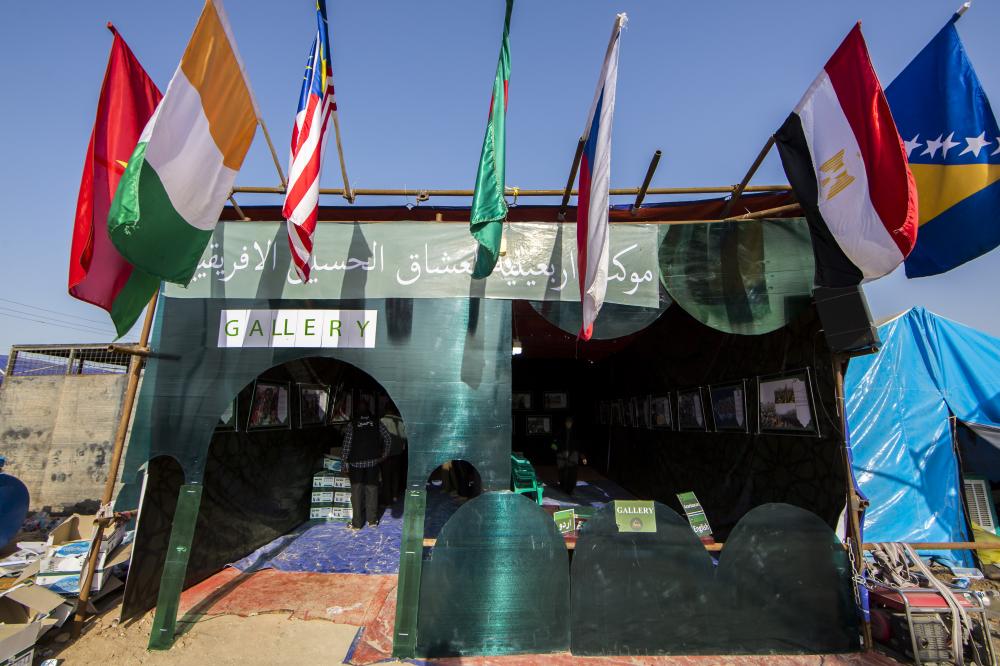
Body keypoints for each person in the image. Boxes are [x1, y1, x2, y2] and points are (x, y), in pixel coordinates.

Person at [342, 398, 391, 529]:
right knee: (372, 490)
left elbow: (347, 445)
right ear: (369, 408)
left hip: (356, 463)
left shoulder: (352, 424)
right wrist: (384, 455)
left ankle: (357, 523)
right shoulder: (376, 422)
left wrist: (344, 461)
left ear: (356, 409)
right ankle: (372, 521)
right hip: (373, 462)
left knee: (357, 492)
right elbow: (387, 438)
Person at [555, 415, 587, 495]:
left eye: (570, 422)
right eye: (567, 422)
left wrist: (583, 457)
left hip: (573, 456)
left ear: (572, 423)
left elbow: (579, 445)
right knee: (562, 472)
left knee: (572, 472)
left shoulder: (576, 433)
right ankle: (563, 486)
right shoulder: (560, 432)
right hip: (561, 456)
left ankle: (570, 488)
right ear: (565, 423)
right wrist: (558, 451)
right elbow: (555, 443)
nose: (568, 424)